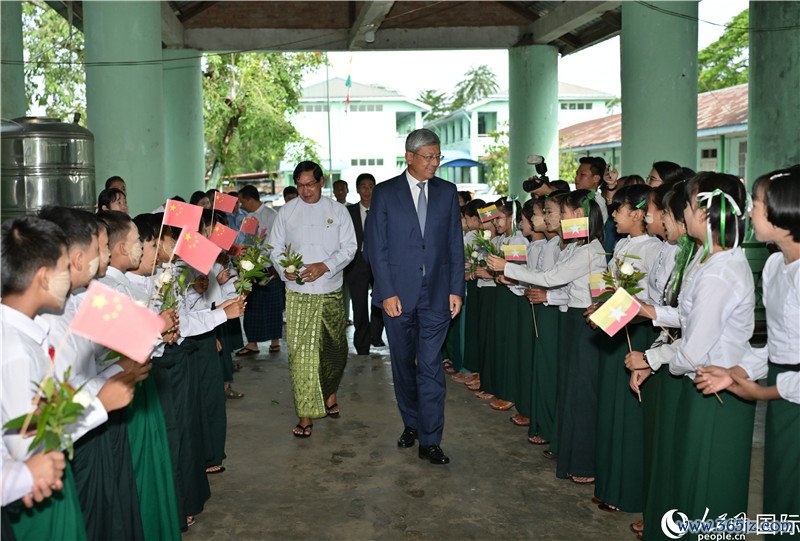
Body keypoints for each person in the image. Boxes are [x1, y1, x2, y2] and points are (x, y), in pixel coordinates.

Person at [699, 166, 800, 532]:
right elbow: (777, 344)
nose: (748, 212)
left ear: (785, 213)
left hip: (791, 392)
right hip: (781, 386)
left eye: (756, 203)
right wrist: (736, 371)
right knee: (779, 487)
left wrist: (765, 391)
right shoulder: (774, 265)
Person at [365, 129, 464, 465]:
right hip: (399, 296)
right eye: (428, 157)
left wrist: (456, 288)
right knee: (404, 365)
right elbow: (376, 248)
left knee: (432, 366)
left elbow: (454, 244)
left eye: (438, 157)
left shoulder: (447, 192)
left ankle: (431, 440)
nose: (434, 163)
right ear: (409, 157)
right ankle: (412, 422)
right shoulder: (385, 193)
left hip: (437, 294)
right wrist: (387, 291)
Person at [1, 217, 93, 540]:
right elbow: (23, 443)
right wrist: (99, 404)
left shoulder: (24, 335)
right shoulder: (14, 349)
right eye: (65, 268)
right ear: (43, 278)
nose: (70, 278)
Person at [270, 161, 356, 437]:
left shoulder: (338, 211)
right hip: (298, 293)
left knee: (335, 350)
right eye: (300, 185)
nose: (305, 191)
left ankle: (329, 391)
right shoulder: (287, 211)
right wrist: (288, 268)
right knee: (301, 355)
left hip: (330, 289)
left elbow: (350, 247)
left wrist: (326, 265)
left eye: (310, 184)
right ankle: (305, 415)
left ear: (321, 182)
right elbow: (275, 247)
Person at [236, 184, 282, 356]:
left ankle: (275, 341)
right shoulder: (247, 218)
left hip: (269, 267)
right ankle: (252, 343)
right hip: (251, 267)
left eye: (242, 202)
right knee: (252, 306)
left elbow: (277, 242)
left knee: (273, 307)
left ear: (250, 199)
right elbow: (246, 241)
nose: (241, 205)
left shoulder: (271, 215)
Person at [344, 173, 384, 355]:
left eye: (370, 186)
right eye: (363, 187)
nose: (367, 191)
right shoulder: (349, 212)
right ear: (357, 189)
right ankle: (362, 344)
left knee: (380, 302)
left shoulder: (382, 209)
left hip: (379, 263)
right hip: (356, 264)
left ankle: (376, 336)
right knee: (359, 305)